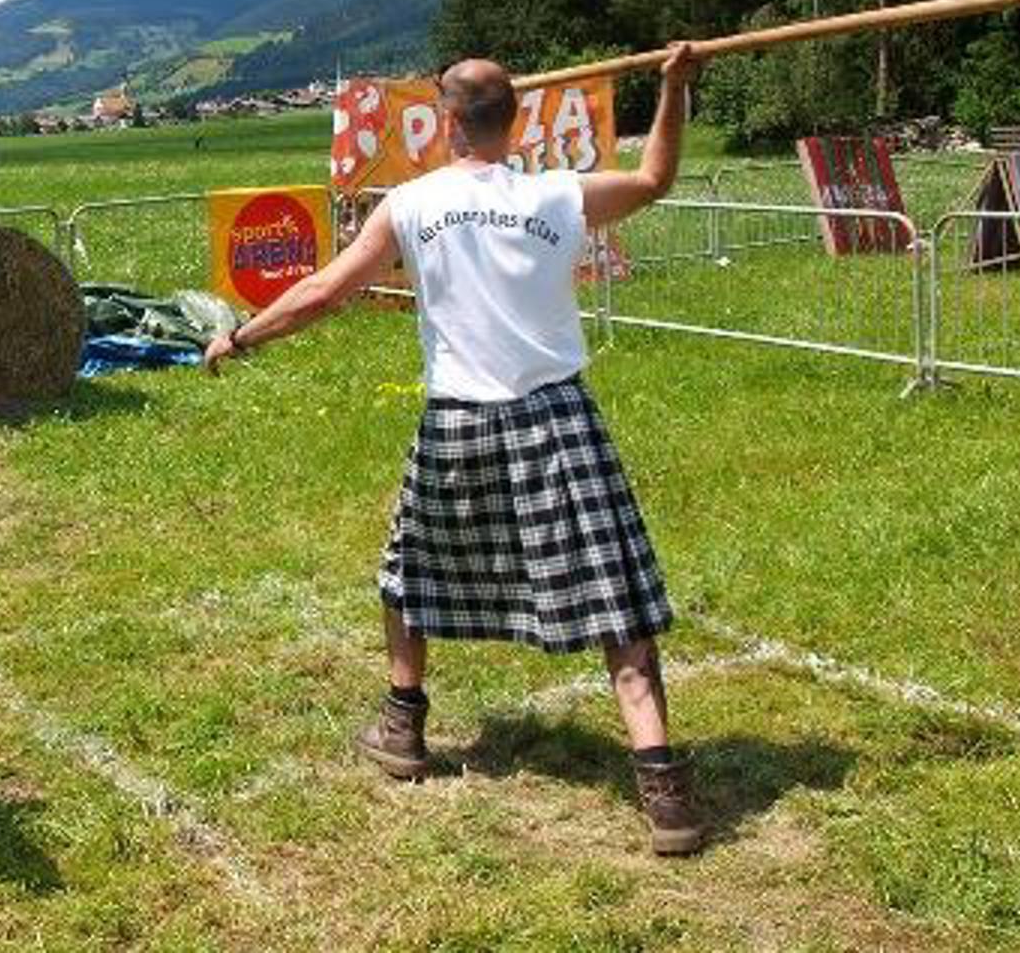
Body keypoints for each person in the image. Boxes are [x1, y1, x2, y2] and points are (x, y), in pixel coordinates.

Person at [203, 45, 705, 856]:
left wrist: (241, 335)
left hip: (461, 421)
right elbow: (654, 180)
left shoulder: (410, 203)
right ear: (518, 119)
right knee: (617, 601)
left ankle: (404, 727)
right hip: (558, 418)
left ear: (445, 123)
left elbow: (329, 291)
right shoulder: (557, 194)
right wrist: (675, 89)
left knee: (408, 575)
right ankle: (663, 790)